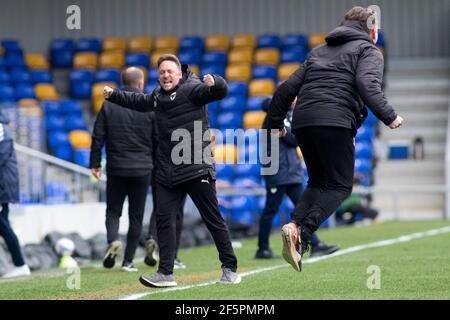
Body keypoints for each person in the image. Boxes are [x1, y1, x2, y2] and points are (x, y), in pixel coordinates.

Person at [268, 6, 403, 272]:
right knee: (341, 186)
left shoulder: (318, 51)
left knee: (318, 181)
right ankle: (303, 235)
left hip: (304, 122)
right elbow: (367, 84)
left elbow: (285, 89)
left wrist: (275, 125)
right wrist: (390, 115)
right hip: (334, 120)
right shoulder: (368, 51)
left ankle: (293, 225)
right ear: (372, 31)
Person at [103, 54, 240, 287]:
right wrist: (114, 95)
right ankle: (165, 273)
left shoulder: (194, 88)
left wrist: (216, 82)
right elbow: (140, 102)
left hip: (197, 167)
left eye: (170, 71)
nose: (166, 75)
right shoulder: (157, 96)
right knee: (164, 221)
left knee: (212, 219)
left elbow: (219, 92)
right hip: (168, 172)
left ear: (179, 73)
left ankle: (230, 268)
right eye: (162, 72)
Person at [257, 97, 339, 260]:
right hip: (278, 173)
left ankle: (315, 244)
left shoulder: (286, 117)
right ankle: (262, 249)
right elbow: (294, 139)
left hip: (290, 173)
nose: (294, 101)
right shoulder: (274, 119)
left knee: (304, 210)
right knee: (270, 210)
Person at [90, 67, 154, 272]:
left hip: (117, 167)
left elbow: (97, 136)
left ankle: (112, 241)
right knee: (136, 216)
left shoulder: (109, 105)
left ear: (122, 82)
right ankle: (128, 261)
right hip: (143, 168)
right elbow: (158, 140)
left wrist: (95, 163)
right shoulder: (149, 106)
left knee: (113, 211)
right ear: (140, 83)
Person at [0, 109, 31, 278]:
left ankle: (20, 264)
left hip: (2, 184)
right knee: (3, 224)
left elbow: (1, 155)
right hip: (3, 183)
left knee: (3, 224)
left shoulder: (0, 128)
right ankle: (20, 264)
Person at [144, 186, 187, 269]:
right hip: (179, 176)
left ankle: (152, 237)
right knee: (177, 211)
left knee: (158, 207)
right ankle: (172, 257)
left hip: (158, 175)